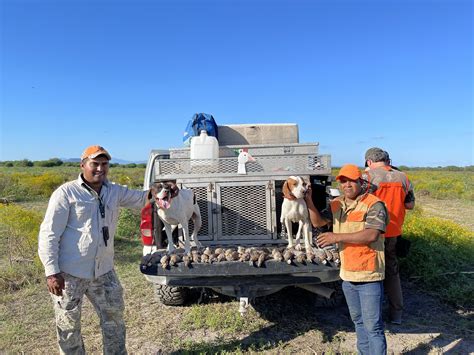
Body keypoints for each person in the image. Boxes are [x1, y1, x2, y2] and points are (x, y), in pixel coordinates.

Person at [38, 145, 150, 354]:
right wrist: (52, 272)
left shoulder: (114, 191)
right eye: (95, 164)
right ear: (83, 166)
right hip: (70, 274)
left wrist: (164, 189)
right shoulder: (66, 193)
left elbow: (142, 197)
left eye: (104, 164)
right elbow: (49, 234)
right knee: (68, 328)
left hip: (104, 271)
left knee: (114, 321)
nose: (100, 168)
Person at [305, 164, 388, 355]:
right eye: (343, 181)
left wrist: (336, 237)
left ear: (360, 181)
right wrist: (309, 200)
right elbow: (318, 222)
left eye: (351, 180)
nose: (347, 185)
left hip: (369, 276)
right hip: (348, 275)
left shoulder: (374, 204)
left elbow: (371, 235)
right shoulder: (337, 204)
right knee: (358, 321)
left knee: (373, 327)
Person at [364, 147, 415, 325]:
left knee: (371, 274)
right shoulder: (403, 177)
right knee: (392, 272)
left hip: (371, 233)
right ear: (388, 160)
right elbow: (410, 205)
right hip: (393, 233)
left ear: (369, 162)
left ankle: (372, 317)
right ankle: (396, 315)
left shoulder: (368, 177)